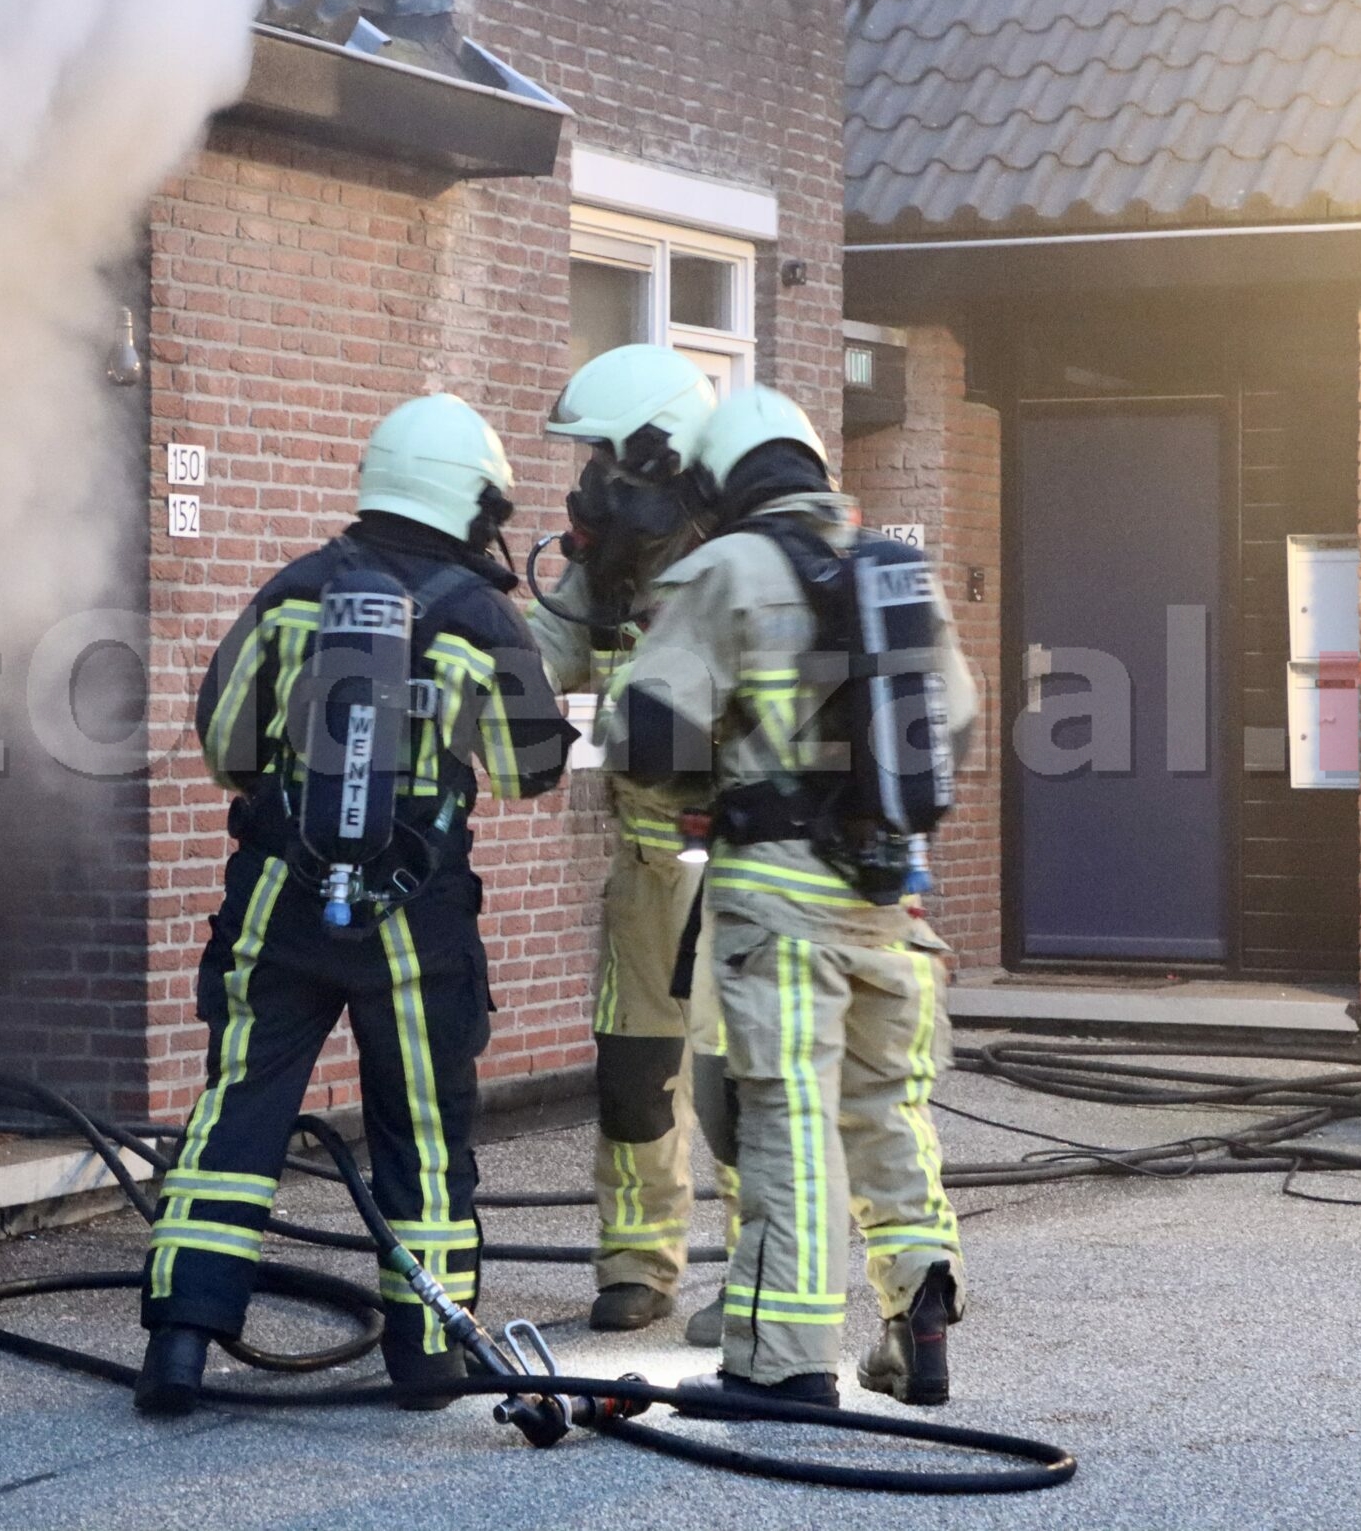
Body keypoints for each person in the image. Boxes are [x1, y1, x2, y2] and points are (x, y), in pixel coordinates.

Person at [134, 392, 574, 1416]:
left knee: (237, 1110)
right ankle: (427, 1358)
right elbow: (526, 771)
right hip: (413, 918)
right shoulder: (477, 615)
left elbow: (224, 744)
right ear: (468, 501)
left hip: (276, 899)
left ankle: (181, 1344)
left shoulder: (293, 592)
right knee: (419, 1126)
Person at [599, 385, 978, 1410]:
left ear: (722, 483)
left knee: (787, 1120)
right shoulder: (896, 572)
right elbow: (958, 734)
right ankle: (921, 1318)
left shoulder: (727, 569)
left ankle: (783, 1365)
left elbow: (646, 738)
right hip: (891, 902)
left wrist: (713, 782)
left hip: (776, 904)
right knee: (889, 1111)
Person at [526, 344, 733, 1337]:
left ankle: (765, 1272)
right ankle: (636, 1265)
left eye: (608, 451)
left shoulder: (747, 552)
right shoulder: (611, 559)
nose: (593, 471)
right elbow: (541, 654)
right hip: (649, 874)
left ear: (659, 447)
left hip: (750, 866)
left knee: (743, 1078)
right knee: (634, 1074)